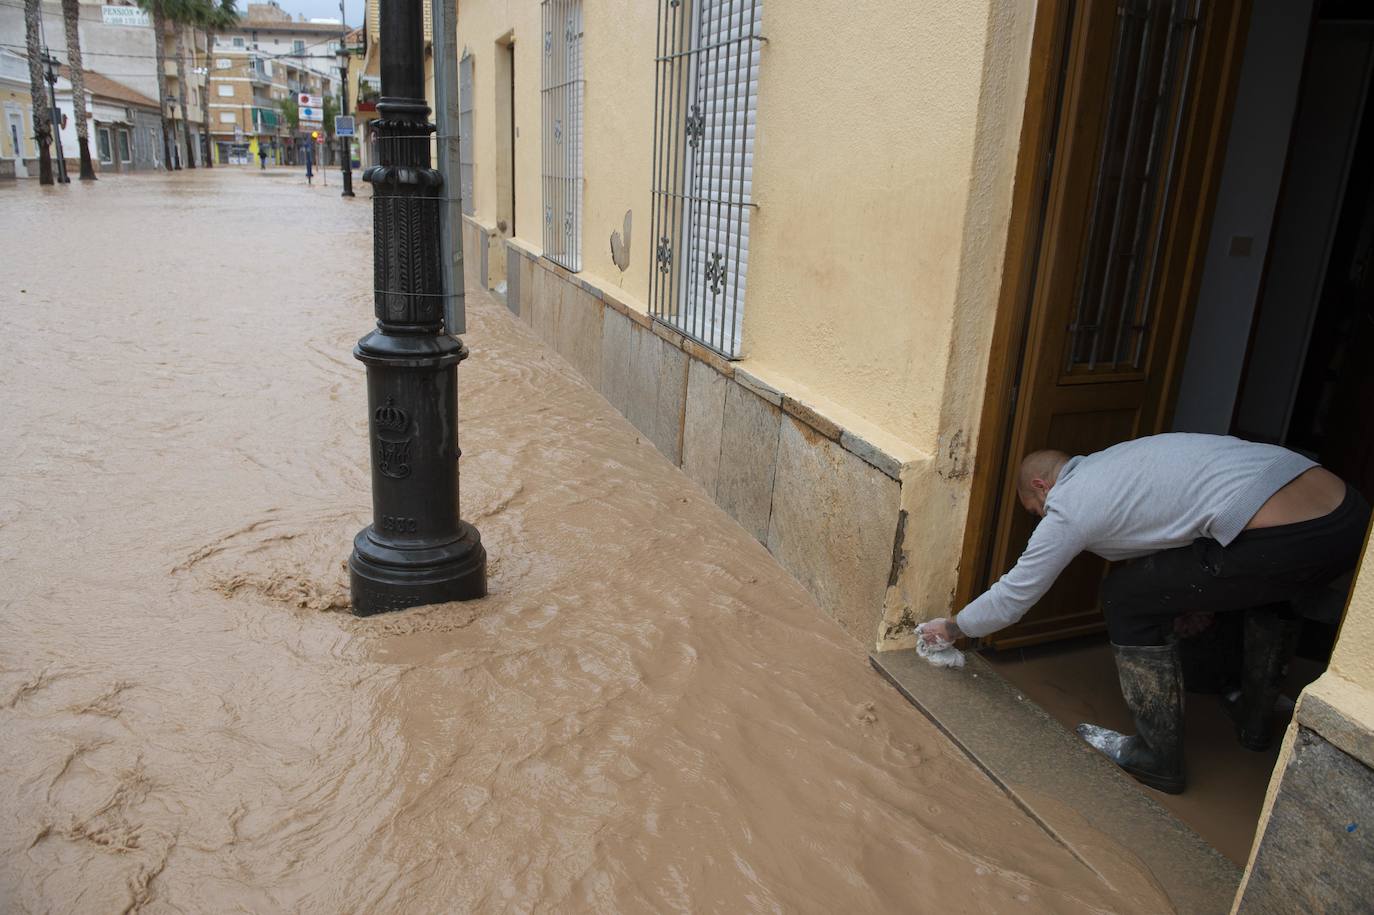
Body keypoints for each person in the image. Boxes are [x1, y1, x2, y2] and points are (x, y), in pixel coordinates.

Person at [919, 433, 1369, 794]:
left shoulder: (1070, 504)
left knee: (1125, 596)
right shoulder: (1116, 462)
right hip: (1349, 515)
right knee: (1269, 586)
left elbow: (1016, 595)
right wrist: (1196, 598)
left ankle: (1157, 758)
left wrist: (955, 627)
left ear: (1042, 486)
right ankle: (1254, 717)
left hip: (1288, 536)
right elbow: (1187, 527)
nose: (1041, 519)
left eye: (1034, 511)